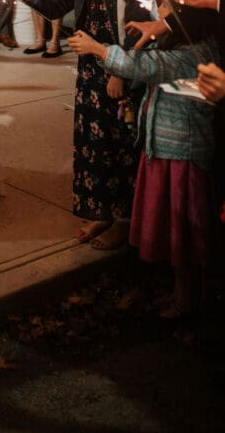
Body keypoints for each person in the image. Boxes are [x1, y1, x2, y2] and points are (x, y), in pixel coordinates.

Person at [9, 0, 151, 250]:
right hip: (89, 73)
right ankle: (101, 211)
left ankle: (125, 221)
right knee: (94, 147)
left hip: (115, 70)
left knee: (119, 149)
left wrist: (118, 70)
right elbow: (56, 7)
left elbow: (136, 30)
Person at [69, 17, 219, 318]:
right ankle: (189, 292)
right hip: (165, 149)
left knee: (184, 231)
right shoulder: (184, 45)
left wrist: (97, 48)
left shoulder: (194, 54)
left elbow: (146, 67)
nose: (158, 17)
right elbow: (144, 71)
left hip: (181, 154)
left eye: (165, 11)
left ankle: (188, 298)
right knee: (176, 228)